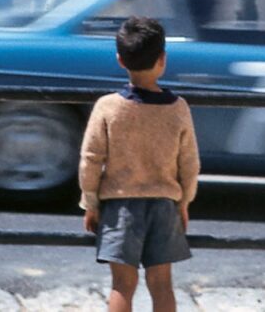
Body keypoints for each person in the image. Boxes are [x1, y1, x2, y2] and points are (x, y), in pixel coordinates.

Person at [80, 16, 201, 312]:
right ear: (163, 59)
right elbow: (189, 162)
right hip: (163, 204)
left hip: (119, 207)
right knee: (162, 285)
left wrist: (91, 203)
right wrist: (184, 201)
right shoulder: (178, 108)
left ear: (120, 60)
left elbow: (90, 159)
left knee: (122, 285)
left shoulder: (108, 107)